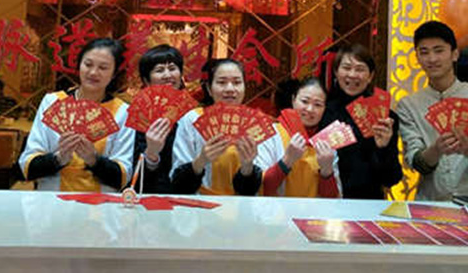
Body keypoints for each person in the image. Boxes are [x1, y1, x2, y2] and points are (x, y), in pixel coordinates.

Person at [396, 20, 468, 201]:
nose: (432, 59)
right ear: (417, 57)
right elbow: (417, 163)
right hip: (431, 204)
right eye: (424, 52)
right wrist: (437, 149)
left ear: (455, 54)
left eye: (439, 51)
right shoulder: (408, 105)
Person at [18, 38, 134, 192]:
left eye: (103, 67)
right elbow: (27, 166)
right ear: (79, 65)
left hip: (102, 203)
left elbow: (123, 177)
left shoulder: (122, 112)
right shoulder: (52, 102)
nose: (93, 72)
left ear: (114, 74)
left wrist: (93, 159)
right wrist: (59, 158)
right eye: (88, 64)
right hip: (51, 200)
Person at [170, 58, 276, 195]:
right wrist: (201, 160)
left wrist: (247, 166)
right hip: (199, 202)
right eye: (222, 82)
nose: (230, 89)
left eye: (237, 82)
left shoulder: (254, 124)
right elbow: (177, 183)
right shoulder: (192, 119)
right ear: (209, 89)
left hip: (242, 204)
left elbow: (254, 188)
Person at [322, 43, 403, 199]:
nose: (352, 75)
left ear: (370, 76)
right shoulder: (323, 112)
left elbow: (392, 179)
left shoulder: (386, 118)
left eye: (360, 69)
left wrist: (383, 148)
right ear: (336, 72)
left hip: (369, 203)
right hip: (327, 201)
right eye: (346, 68)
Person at [260, 77, 340, 198]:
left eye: (318, 105)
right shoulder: (271, 133)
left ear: (324, 108)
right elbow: (261, 187)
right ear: (293, 100)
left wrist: (326, 170)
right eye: (304, 101)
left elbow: (332, 199)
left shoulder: (327, 142)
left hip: (314, 211)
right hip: (276, 209)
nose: (310, 109)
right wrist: (287, 161)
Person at [131, 44, 184, 193]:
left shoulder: (192, 113)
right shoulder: (139, 116)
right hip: (149, 192)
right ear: (146, 80)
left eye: (172, 68)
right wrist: (151, 154)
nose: (168, 75)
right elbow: (133, 171)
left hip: (188, 192)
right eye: (159, 70)